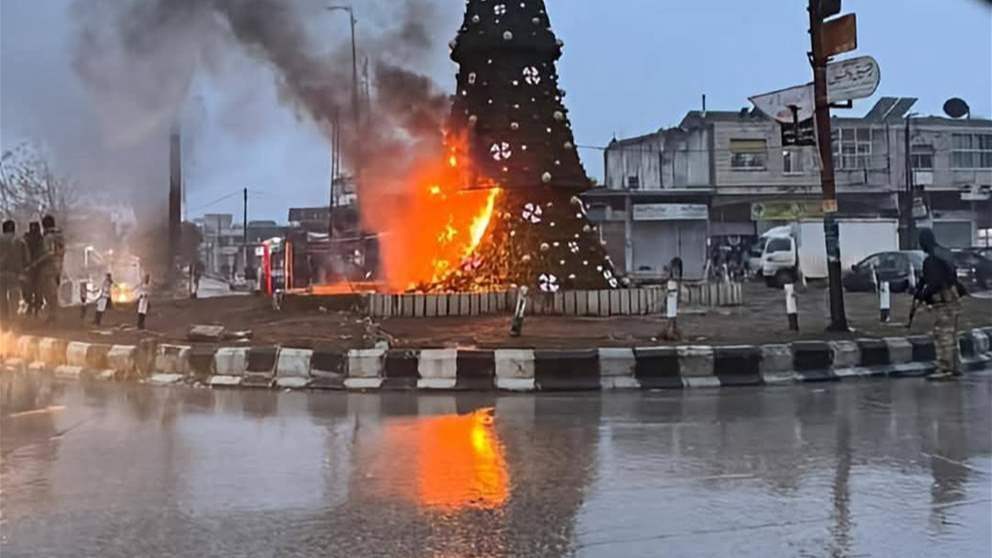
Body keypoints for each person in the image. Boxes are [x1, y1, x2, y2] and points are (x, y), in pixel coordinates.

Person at [915, 228, 967, 381]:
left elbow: (935, 283)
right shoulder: (944, 253)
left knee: (942, 335)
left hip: (943, 300)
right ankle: (955, 366)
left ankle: (944, 369)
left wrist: (924, 295)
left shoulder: (931, 260)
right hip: (954, 298)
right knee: (952, 335)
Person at [1, 220, 29, 331]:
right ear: (13, 229)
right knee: (14, 299)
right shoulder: (20, 241)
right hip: (15, 275)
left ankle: (3, 325)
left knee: (1, 300)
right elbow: (27, 259)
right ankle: (15, 325)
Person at [38, 215, 65, 324]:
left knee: (49, 294)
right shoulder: (60, 236)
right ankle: (54, 316)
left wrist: (36, 262)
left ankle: (53, 316)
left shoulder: (48, 237)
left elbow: (48, 253)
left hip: (48, 268)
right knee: (54, 293)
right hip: (58, 266)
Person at [22, 222, 44, 316]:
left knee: (35, 289)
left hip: (35, 267)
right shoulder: (39, 239)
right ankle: (32, 308)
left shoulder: (40, 239)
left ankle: (34, 308)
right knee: (32, 290)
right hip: (33, 267)